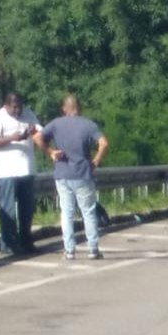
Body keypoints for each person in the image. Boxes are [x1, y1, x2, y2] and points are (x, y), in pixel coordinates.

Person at [35, 95, 109, 260]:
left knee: (66, 212)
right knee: (88, 212)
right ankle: (93, 249)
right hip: (82, 174)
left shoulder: (56, 123)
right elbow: (104, 143)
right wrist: (96, 160)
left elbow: (37, 137)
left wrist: (51, 152)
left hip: (62, 175)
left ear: (64, 109)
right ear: (79, 108)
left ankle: (69, 250)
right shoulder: (88, 124)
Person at [0, 92, 43, 255]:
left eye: (19, 106)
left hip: (27, 169)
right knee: (8, 209)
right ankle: (8, 244)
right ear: (6, 105)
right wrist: (12, 138)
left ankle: (26, 240)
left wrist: (34, 131)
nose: (18, 110)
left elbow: (39, 132)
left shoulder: (28, 114)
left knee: (27, 208)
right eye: (14, 107)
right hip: (6, 170)